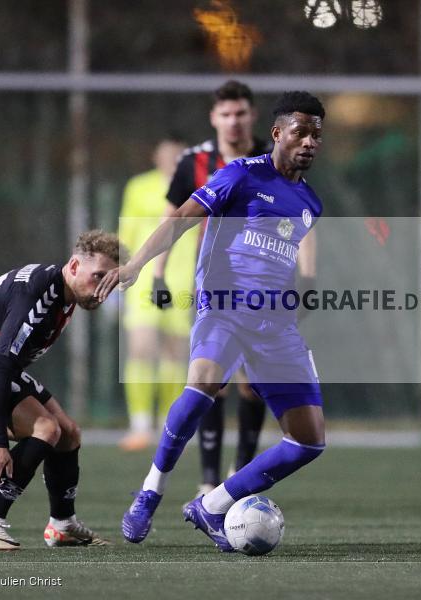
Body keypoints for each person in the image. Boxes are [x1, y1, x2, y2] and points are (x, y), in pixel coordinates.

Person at [95, 91, 326, 551]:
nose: (309, 142)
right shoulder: (241, 174)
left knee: (308, 441)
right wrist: (138, 265)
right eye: (300, 132)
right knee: (203, 384)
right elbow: (181, 218)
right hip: (224, 306)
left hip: (275, 323)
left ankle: (211, 504)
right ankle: (150, 490)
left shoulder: (310, 202)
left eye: (316, 135)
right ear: (277, 133)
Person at [0, 230, 123, 550]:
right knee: (45, 428)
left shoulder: (66, 292)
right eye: (99, 276)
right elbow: (1, 367)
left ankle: (63, 525)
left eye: (111, 280)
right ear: (74, 266)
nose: (104, 287)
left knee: (69, 433)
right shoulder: (37, 295)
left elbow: (6, 364)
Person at [158, 80, 273, 497]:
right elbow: (173, 218)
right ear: (213, 118)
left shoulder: (273, 158)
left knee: (253, 383)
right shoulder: (194, 162)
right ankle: (208, 480)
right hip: (213, 284)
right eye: (225, 114)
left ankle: (240, 476)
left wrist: (307, 277)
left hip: (265, 284)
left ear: (252, 115)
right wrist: (157, 274)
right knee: (211, 380)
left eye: (240, 113)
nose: (233, 121)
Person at [118, 137, 193, 451]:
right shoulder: (139, 187)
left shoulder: (197, 187)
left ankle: (168, 424)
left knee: (174, 353)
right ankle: (139, 424)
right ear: (156, 156)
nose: (172, 158)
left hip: (183, 280)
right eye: (166, 153)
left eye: (178, 153)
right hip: (144, 279)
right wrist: (117, 267)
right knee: (141, 347)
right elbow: (126, 233)